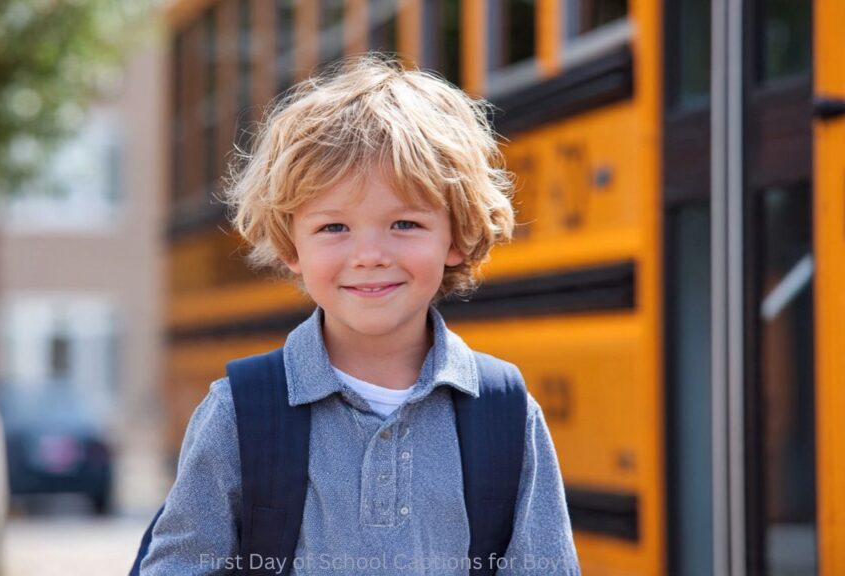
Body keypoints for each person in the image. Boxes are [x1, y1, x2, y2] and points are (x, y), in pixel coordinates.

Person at [139, 54, 579, 575]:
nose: (369, 254)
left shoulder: (504, 413)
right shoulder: (241, 411)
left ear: (457, 236)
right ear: (290, 246)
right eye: (334, 228)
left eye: (405, 224)